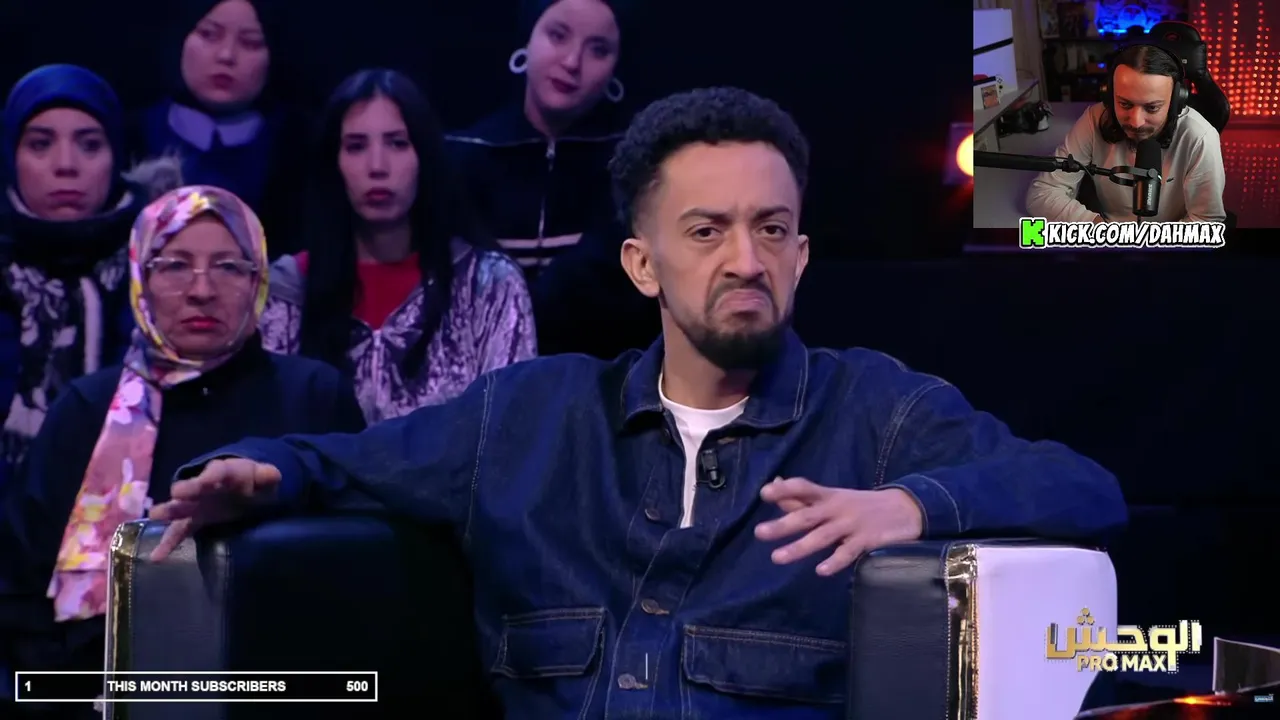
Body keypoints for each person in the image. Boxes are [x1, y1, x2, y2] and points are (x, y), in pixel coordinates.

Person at [150, 88, 1128, 718]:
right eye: (705, 231)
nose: (744, 260)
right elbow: (344, 462)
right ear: (641, 265)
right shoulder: (527, 418)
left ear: (799, 256)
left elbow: (1081, 486)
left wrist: (909, 505)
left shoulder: (875, 410)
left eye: (770, 229)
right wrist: (261, 473)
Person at [0, 185, 364, 718]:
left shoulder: (313, 396)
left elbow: (357, 576)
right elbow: (19, 589)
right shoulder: (86, 409)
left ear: (258, 280)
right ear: (141, 279)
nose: (202, 290)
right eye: (174, 266)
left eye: (228, 267)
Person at [260, 69, 536, 424]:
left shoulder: (488, 284)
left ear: (425, 157)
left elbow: (513, 426)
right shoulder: (288, 291)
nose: (377, 167)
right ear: (333, 163)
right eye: (356, 146)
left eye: (397, 143)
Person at [0, 64, 180, 498]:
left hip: (140, 515)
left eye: (90, 145)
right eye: (40, 144)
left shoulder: (165, 264)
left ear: (116, 155)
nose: (66, 165)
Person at [447, 0, 656, 358]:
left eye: (598, 49)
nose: (572, 62)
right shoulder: (463, 155)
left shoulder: (637, 163)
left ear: (615, 68)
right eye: (558, 36)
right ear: (527, 40)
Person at [131, 0, 306, 255]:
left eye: (250, 43)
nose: (226, 55)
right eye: (209, 35)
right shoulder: (130, 137)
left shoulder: (300, 146)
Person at [1026, 43, 1226, 224]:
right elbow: (1042, 193)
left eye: (1152, 108)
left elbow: (1206, 222)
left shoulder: (1200, 137)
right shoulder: (1095, 119)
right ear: (1109, 95)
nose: (1136, 122)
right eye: (1125, 104)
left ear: (1175, 102)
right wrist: (1099, 227)